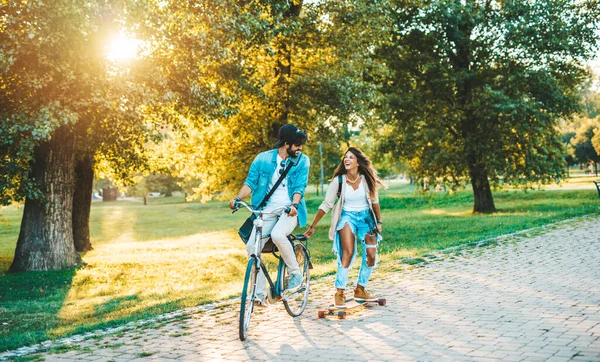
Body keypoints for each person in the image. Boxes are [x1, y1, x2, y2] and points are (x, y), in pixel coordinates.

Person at [229, 124, 310, 306]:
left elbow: (299, 187)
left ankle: (296, 274)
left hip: (289, 210)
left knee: (278, 234)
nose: (300, 148)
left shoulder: (302, 161)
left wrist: (294, 205)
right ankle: (259, 294)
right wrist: (237, 198)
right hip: (265, 210)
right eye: (297, 145)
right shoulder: (263, 159)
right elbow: (250, 183)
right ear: (287, 144)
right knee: (252, 247)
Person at [303, 147, 386, 307]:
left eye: (351, 157)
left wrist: (379, 222)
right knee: (347, 254)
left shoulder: (366, 180)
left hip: (366, 218)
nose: (347, 160)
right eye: (345, 157)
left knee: (371, 255)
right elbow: (327, 204)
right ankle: (339, 292)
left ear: (358, 162)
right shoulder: (338, 181)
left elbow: (374, 202)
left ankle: (360, 289)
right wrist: (313, 226)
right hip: (347, 217)